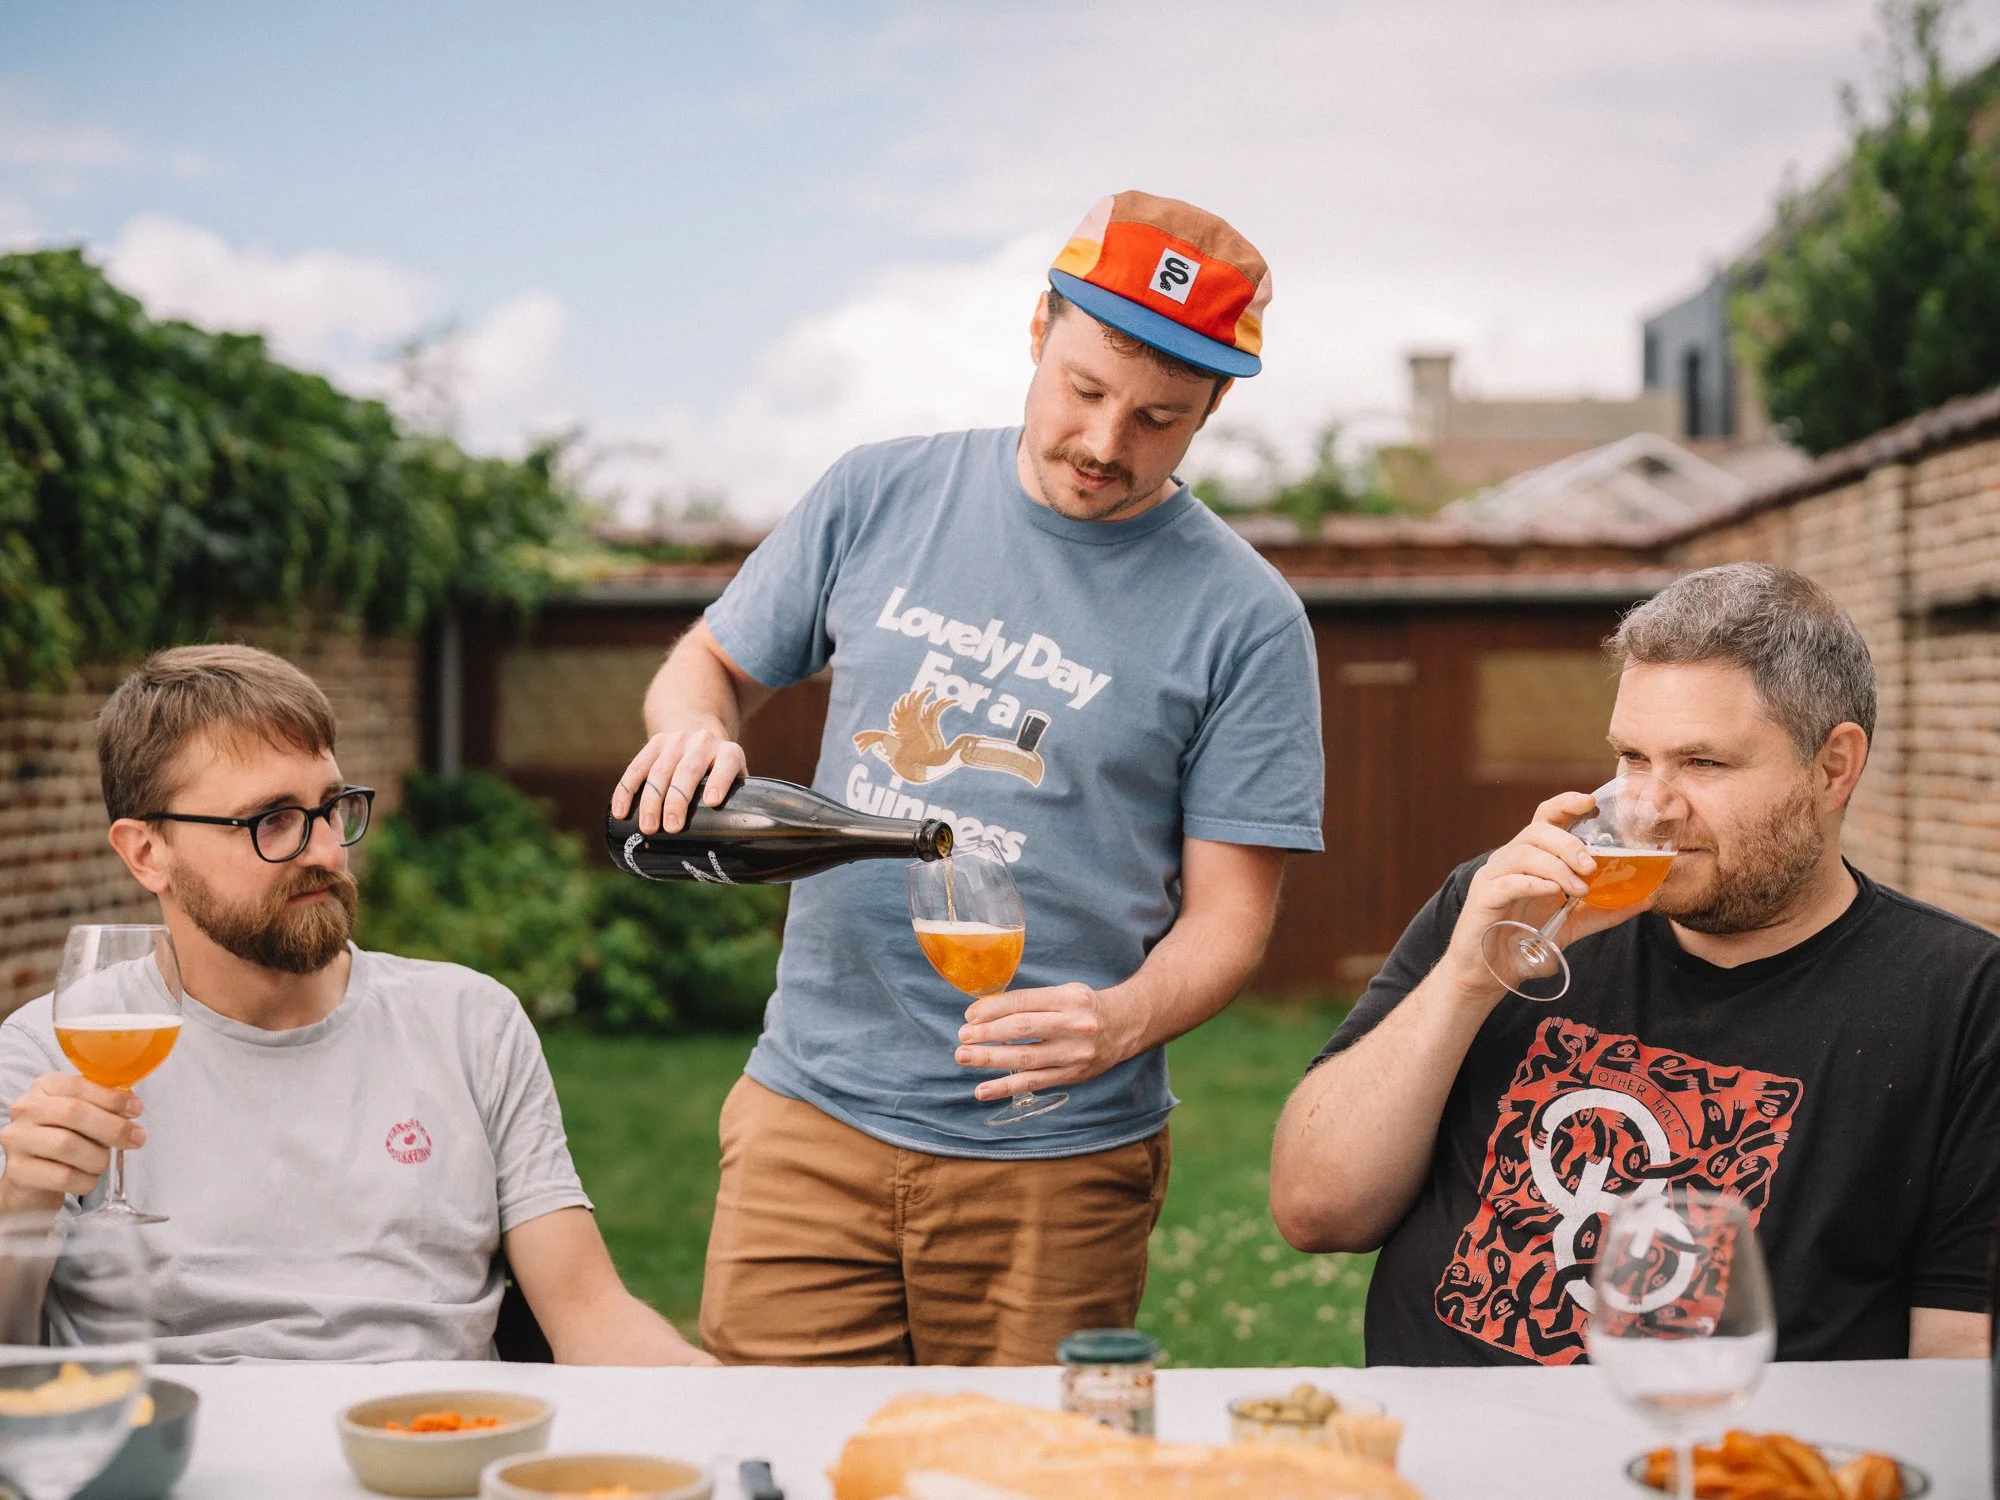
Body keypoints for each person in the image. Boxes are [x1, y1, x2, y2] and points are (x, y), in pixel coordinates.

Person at [612, 191, 1325, 1364]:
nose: (1105, 444)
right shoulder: (878, 493)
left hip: (1056, 1157)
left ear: (1214, 406)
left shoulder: (1245, 619)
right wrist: (692, 729)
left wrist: (1117, 1021)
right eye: (1084, 390)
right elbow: (709, 666)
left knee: (1017, 1458)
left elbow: (1229, 922)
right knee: (774, 1448)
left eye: (1157, 418)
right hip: (809, 1120)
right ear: (1039, 328)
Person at [1271, 563, 1996, 1365]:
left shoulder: (1961, 1002)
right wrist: (1468, 981)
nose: (1651, 808)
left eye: (1703, 764)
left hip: (1713, 1438)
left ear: (1833, 768)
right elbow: (1315, 1210)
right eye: (1633, 758)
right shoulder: (1510, 910)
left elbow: (1959, 1358)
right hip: (1429, 1438)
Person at [0, 645, 712, 1365]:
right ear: (146, 853)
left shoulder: (469, 1023)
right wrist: (22, 1201)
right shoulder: (50, 1053)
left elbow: (588, 1310)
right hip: (173, 1429)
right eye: (271, 820)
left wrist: (728, 1401)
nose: (326, 852)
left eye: (331, 808)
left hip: (436, 1427)